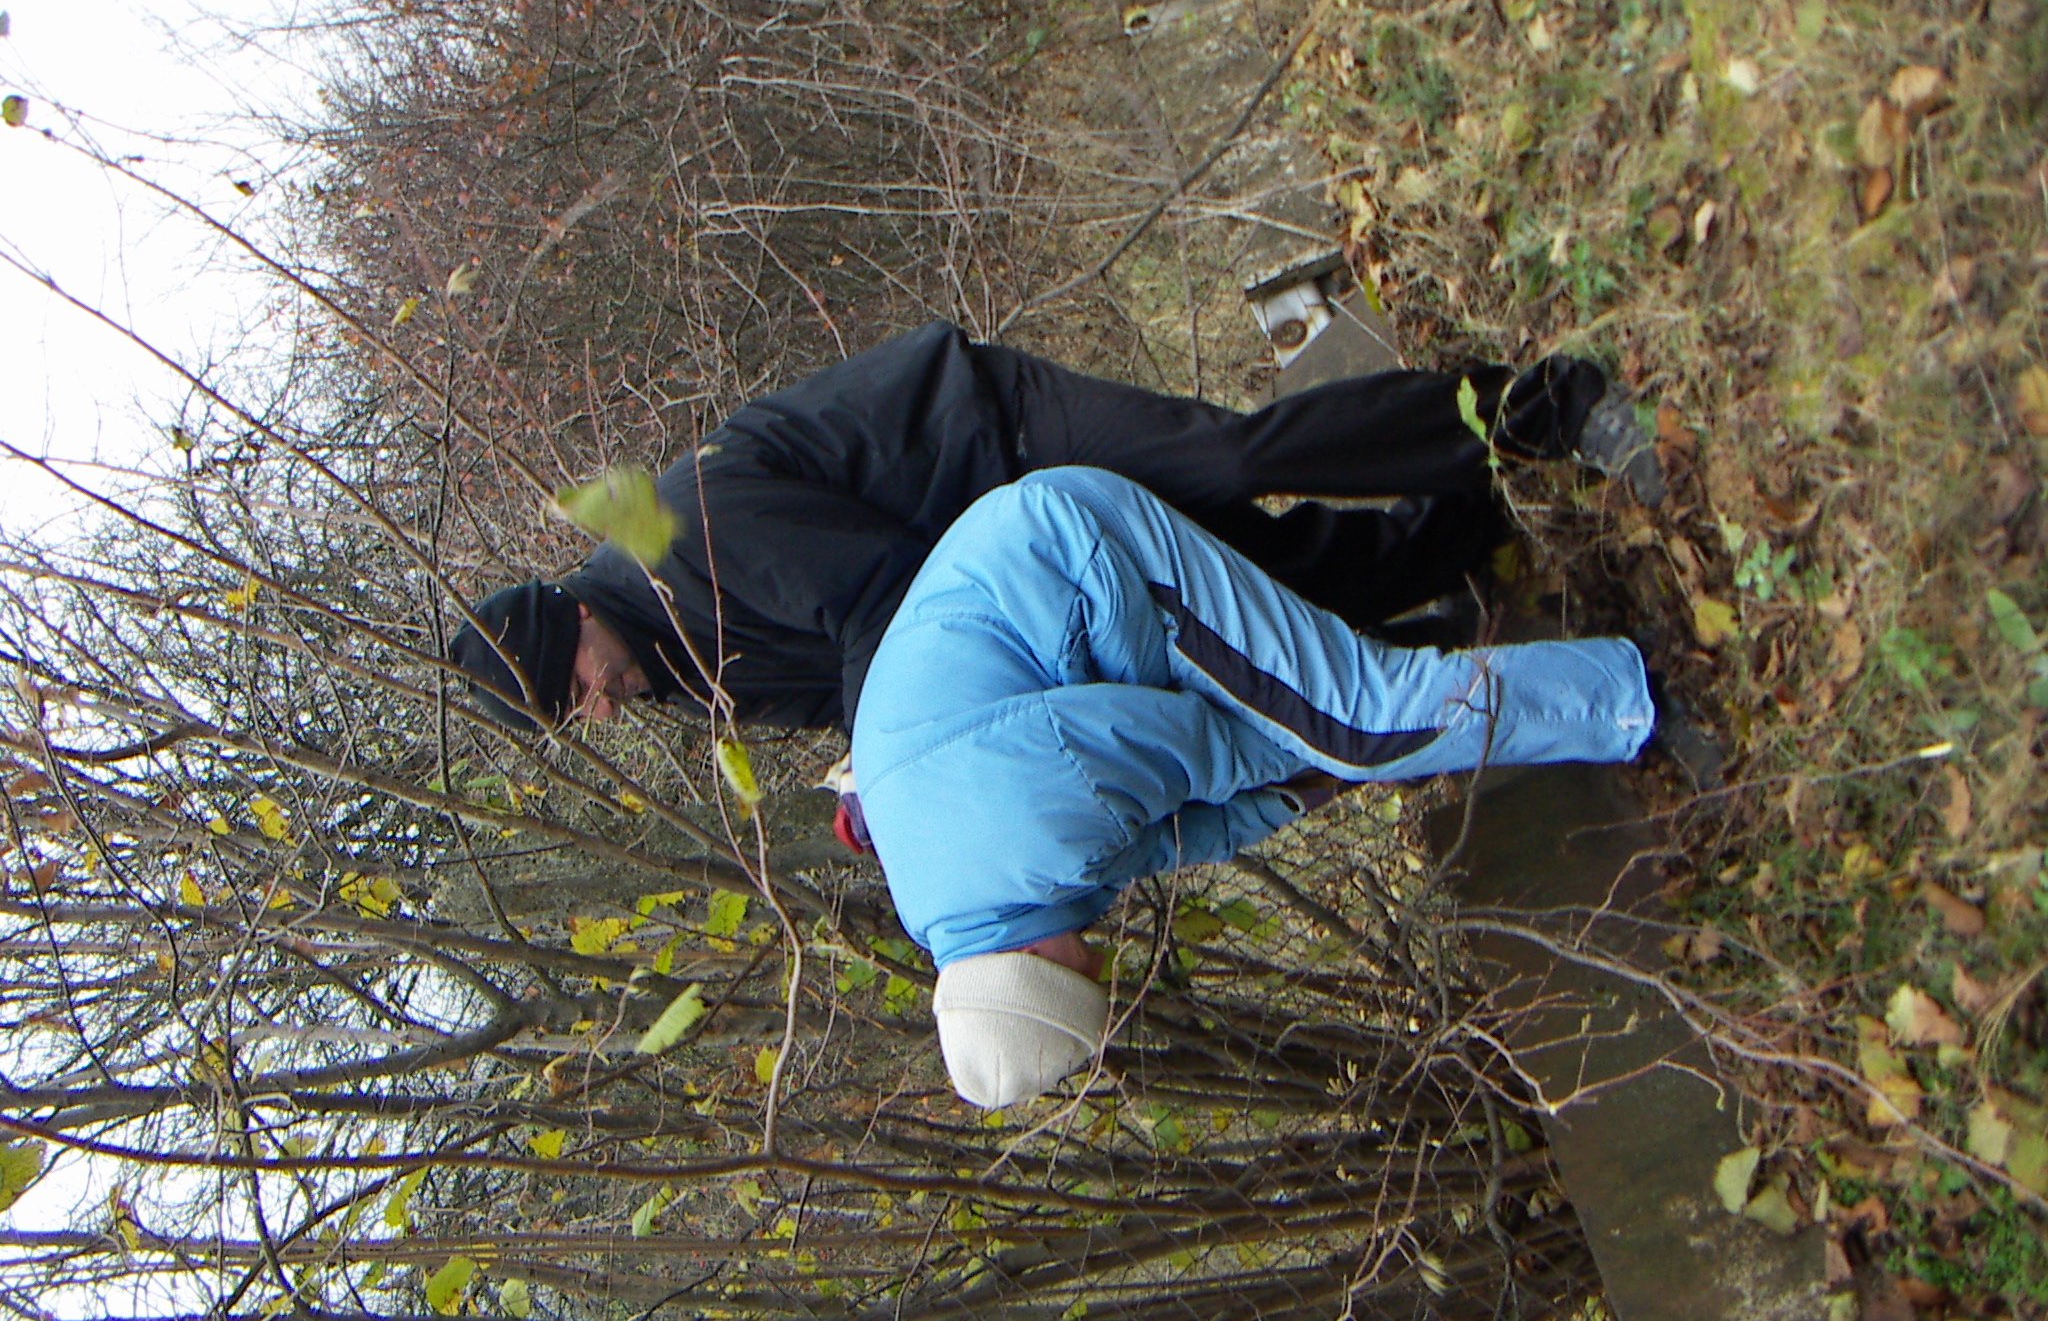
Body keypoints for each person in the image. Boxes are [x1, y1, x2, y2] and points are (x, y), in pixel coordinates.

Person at [848, 467, 1655, 1110]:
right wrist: (1296, 793)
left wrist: (1322, 758)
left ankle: (1632, 698)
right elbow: (1176, 836)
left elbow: (1185, 742)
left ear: (1028, 969)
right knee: (1337, 743)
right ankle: (1573, 680)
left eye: (1079, 976)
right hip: (1073, 623)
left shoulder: (1021, 838)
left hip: (1083, 560)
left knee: (1362, 725)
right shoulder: (982, 903)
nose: (1097, 964)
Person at [448, 323, 1608, 732]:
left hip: (991, 436)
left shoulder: (680, 534)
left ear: (573, 618)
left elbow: (880, 593)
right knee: (1258, 592)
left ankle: (1540, 410)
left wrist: (884, 760)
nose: (601, 708)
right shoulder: (697, 678)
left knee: (1233, 460)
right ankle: (1472, 520)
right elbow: (847, 696)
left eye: (578, 688)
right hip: (1018, 547)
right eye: (578, 716)